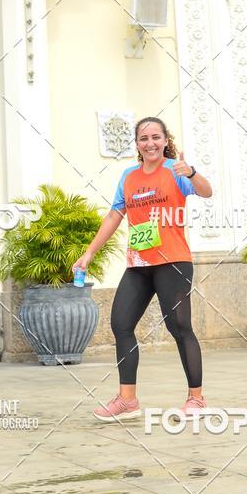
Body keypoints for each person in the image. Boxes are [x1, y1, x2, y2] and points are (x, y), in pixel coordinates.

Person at [72, 116, 212, 422]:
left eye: (156, 137)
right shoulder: (129, 176)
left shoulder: (175, 170)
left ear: (165, 140)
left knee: (180, 328)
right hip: (139, 263)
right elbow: (114, 215)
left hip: (173, 261)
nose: (150, 143)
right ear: (137, 144)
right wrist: (89, 253)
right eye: (144, 138)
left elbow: (206, 191)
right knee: (121, 324)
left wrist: (193, 172)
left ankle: (196, 399)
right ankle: (127, 401)